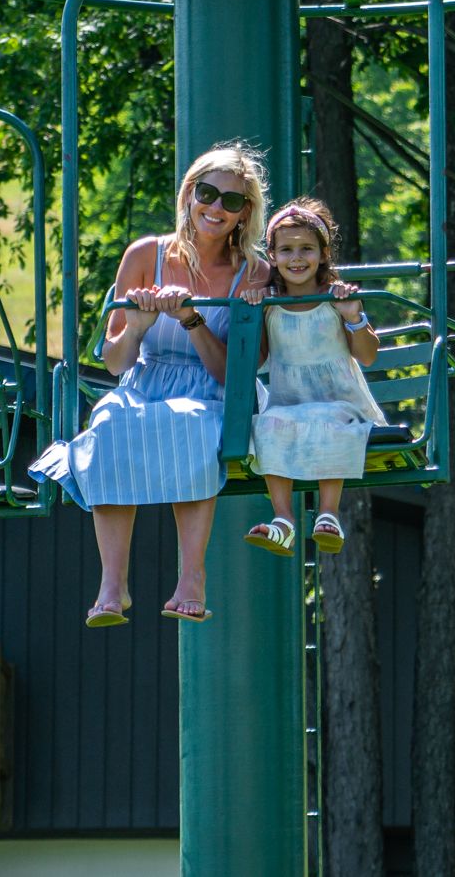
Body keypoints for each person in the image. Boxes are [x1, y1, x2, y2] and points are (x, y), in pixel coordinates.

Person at [29, 145, 269, 627]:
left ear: (245, 214)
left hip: (214, 389)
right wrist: (136, 326)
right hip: (147, 378)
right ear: (188, 194)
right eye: (207, 193)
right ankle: (113, 586)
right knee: (110, 424)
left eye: (232, 202)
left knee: (195, 429)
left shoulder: (255, 272)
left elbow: (235, 375)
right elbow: (117, 364)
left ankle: (191, 578)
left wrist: (191, 319)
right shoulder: (145, 255)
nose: (216, 209)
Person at [238, 198, 381, 556]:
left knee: (328, 421)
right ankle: (283, 520)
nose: (296, 259)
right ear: (272, 256)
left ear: (323, 253)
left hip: (340, 402)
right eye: (286, 250)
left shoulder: (334, 298)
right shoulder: (270, 304)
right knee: (267, 423)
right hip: (291, 403)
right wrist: (252, 314)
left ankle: (328, 514)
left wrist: (353, 316)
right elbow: (255, 361)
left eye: (306, 249)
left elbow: (366, 354)